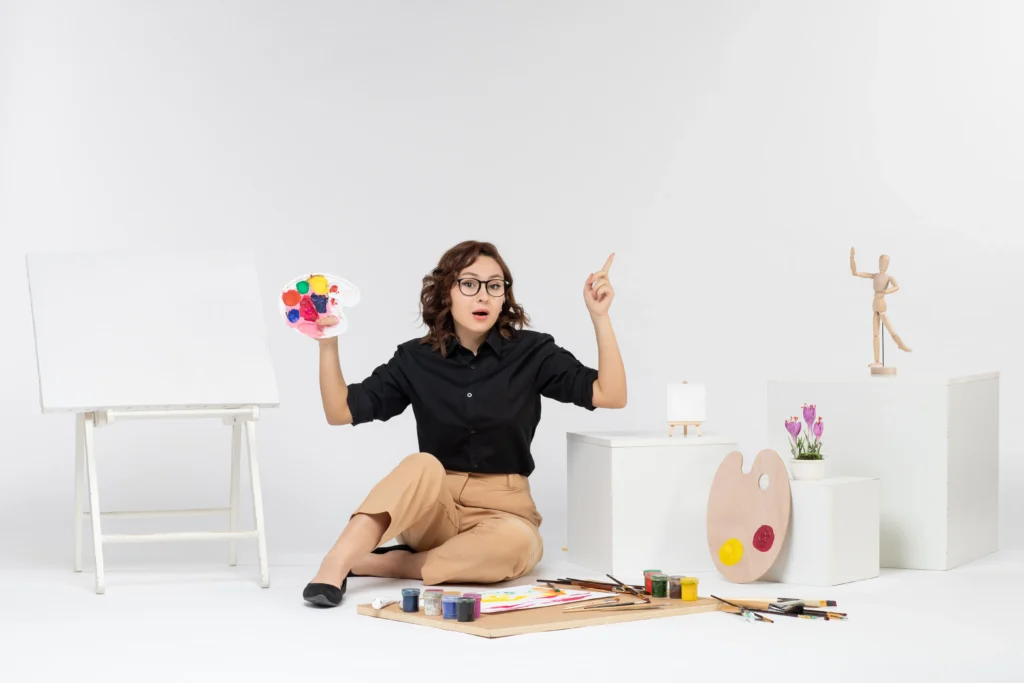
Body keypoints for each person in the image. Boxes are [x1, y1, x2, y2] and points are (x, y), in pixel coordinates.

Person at [302, 240, 627, 607]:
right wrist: (327, 343)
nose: (483, 296)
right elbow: (340, 412)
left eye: (495, 285)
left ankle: (385, 563)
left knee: (518, 548)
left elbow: (610, 394)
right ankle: (335, 564)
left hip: (503, 511)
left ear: (505, 295)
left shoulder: (533, 352)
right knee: (421, 464)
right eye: (469, 284)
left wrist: (600, 317)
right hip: (433, 509)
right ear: (446, 293)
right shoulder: (415, 358)